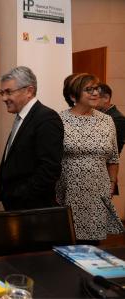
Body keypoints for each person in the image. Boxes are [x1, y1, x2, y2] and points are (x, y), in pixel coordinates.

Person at [56, 73, 124, 244]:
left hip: (97, 192)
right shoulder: (59, 120)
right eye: (89, 90)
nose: (96, 93)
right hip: (68, 190)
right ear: (73, 96)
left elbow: (113, 158)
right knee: (66, 241)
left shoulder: (107, 121)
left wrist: (111, 184)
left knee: (91, 247)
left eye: (97, 89)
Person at [0, 66, 64, 210]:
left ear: (29, 91)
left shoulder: (47, 118)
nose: (4, 98)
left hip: (32, 208)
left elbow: (49, 169)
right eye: (2, 93)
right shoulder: (22, 117)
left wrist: (20, 195)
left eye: (8, 92)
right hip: (17, 206)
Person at [96, 83, 125, 154]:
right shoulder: (96, 114)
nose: (91, 100)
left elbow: (115, 150)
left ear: (106, 98)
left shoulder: (118, 118)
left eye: (95, 97)